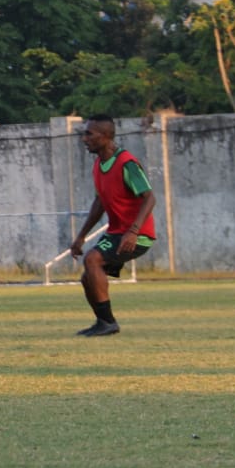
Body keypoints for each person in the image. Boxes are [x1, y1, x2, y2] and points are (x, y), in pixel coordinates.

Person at [69, 114, 157, 337]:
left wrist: (134, 231)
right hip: (117, 232)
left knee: (92, 259)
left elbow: (149, 198)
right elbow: (99, 202)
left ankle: (108, 323)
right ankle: (103, 322)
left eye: (89, 134)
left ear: (106, 136)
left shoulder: (127, 163)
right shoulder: (99, 164)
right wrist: (81, 236)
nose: (84, 139)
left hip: (137, 235)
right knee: (88, 276)